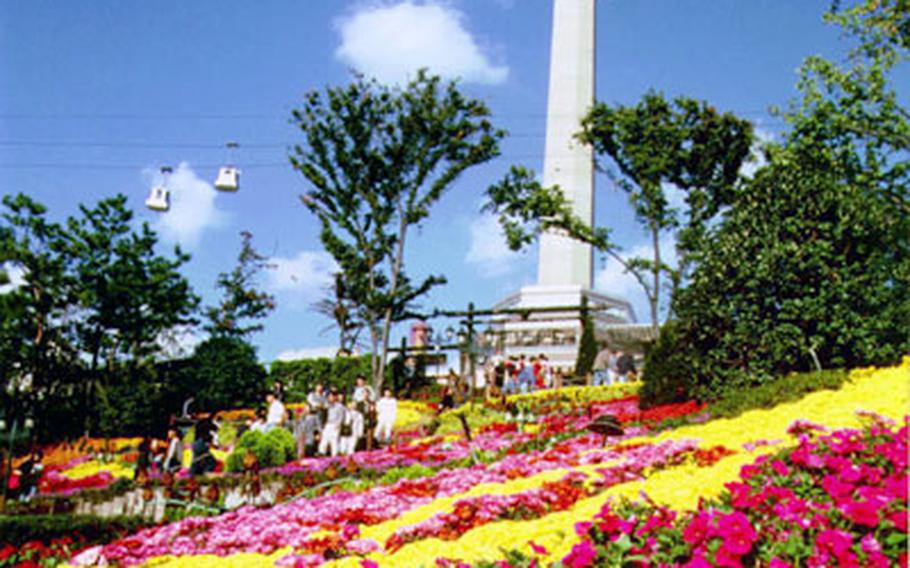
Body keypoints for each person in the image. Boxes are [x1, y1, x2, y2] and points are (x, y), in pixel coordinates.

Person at [319, 392, 344, 457]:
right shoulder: (327, 405)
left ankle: (334, 455)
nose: (330, 398)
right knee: (324, 439)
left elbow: (341, 416)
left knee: (334, 441)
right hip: (327, 424)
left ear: (335, 397)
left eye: (332, 397)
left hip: (335, 425)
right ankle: (321, 453)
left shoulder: (339, 406)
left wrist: (338, 424)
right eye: (329, 397)